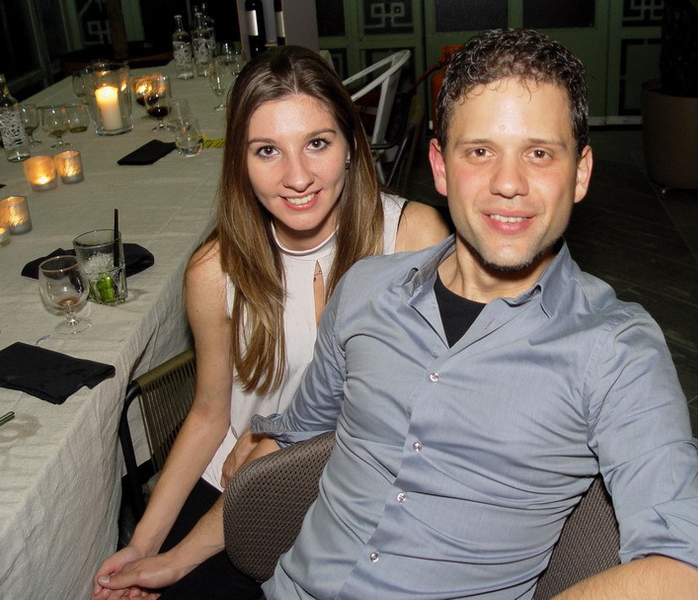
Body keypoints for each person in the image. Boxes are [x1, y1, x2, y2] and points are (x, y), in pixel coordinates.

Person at [248, 28, 698, 599]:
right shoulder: (365, 291)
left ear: (580, 173)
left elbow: (691, 571)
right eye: (480, 151)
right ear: (440, 166)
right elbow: (293, 437)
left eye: (539, 153)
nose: (508, 184)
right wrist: (174, 557)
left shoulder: (615, 351)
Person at [91, 46, 449, 600]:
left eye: (317, 143)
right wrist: (143, 543)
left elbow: (424, 410)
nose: (297, 177)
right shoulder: (215, 271)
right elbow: (208, 414)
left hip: (370, 483)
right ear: (239, 161)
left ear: (352, 144)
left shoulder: (412, 239)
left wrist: (274, 439)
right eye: (267, 151)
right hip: (239, 484)